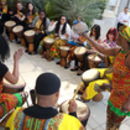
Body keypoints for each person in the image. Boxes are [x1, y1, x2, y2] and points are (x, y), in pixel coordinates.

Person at [84, 25, 130, 130]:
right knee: (110, 120)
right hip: (115, 92)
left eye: (120, 35)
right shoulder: (119, 51)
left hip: (124, 97)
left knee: (114, 123)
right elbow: (102, 49)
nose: (117, 36)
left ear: (126, 40)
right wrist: (86, 36)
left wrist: (128, 103)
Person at [5, 72, 84, 130]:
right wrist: (73, 113)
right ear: (57, 94)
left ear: (35, 92)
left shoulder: (16, 115)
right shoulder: (68, 122)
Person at [0, 35, 26, 119]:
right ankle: (8, 120)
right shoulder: (1, 68)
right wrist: (16, 60)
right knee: (23, 96)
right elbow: (14, 80)